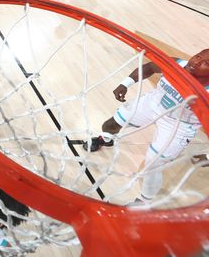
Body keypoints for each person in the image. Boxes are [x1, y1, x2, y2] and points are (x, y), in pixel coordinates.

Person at [84, 49, 209, 202]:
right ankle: (107, 139)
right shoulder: (175, 63)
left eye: (206, 63)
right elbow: (149, 67)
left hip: (179, 125)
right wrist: (126, 84)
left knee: (152, 163)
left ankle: (145, 200)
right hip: (153, 104)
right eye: (197, 56)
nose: (196, 62)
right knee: (110, 125)